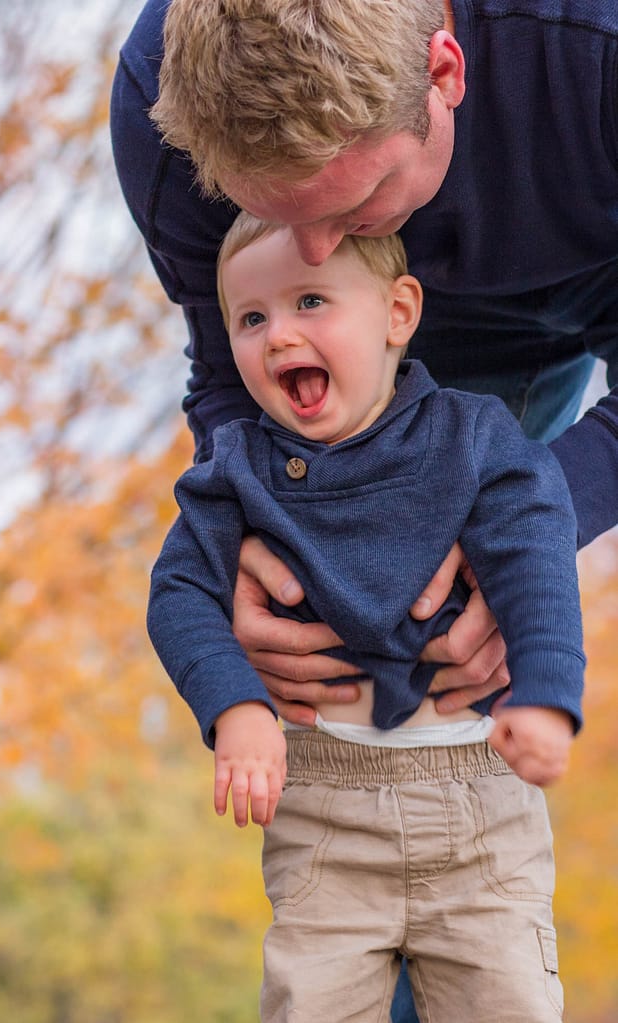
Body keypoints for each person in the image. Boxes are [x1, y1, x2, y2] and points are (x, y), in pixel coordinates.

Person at [110, 1, 617, 1019]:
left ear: (444, 73)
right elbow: (224, 377)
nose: (314, 249)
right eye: (275, 214)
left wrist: (520, 537)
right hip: (313, 425)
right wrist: (254, 544)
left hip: (560, 324)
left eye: (358, 201)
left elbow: (526, 529)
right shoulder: (158, 106)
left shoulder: (588, 53)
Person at [147, 213, 585, 1022]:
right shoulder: (237, 467)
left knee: (511, 1001)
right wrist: (235, 706)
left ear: (397, 312)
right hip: (325, 811)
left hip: (477, 804)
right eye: (252, 318)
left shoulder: (473, 435)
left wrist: (547, 690)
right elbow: (178, 591)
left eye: (310, 300)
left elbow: (534, 551)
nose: (279, 336)